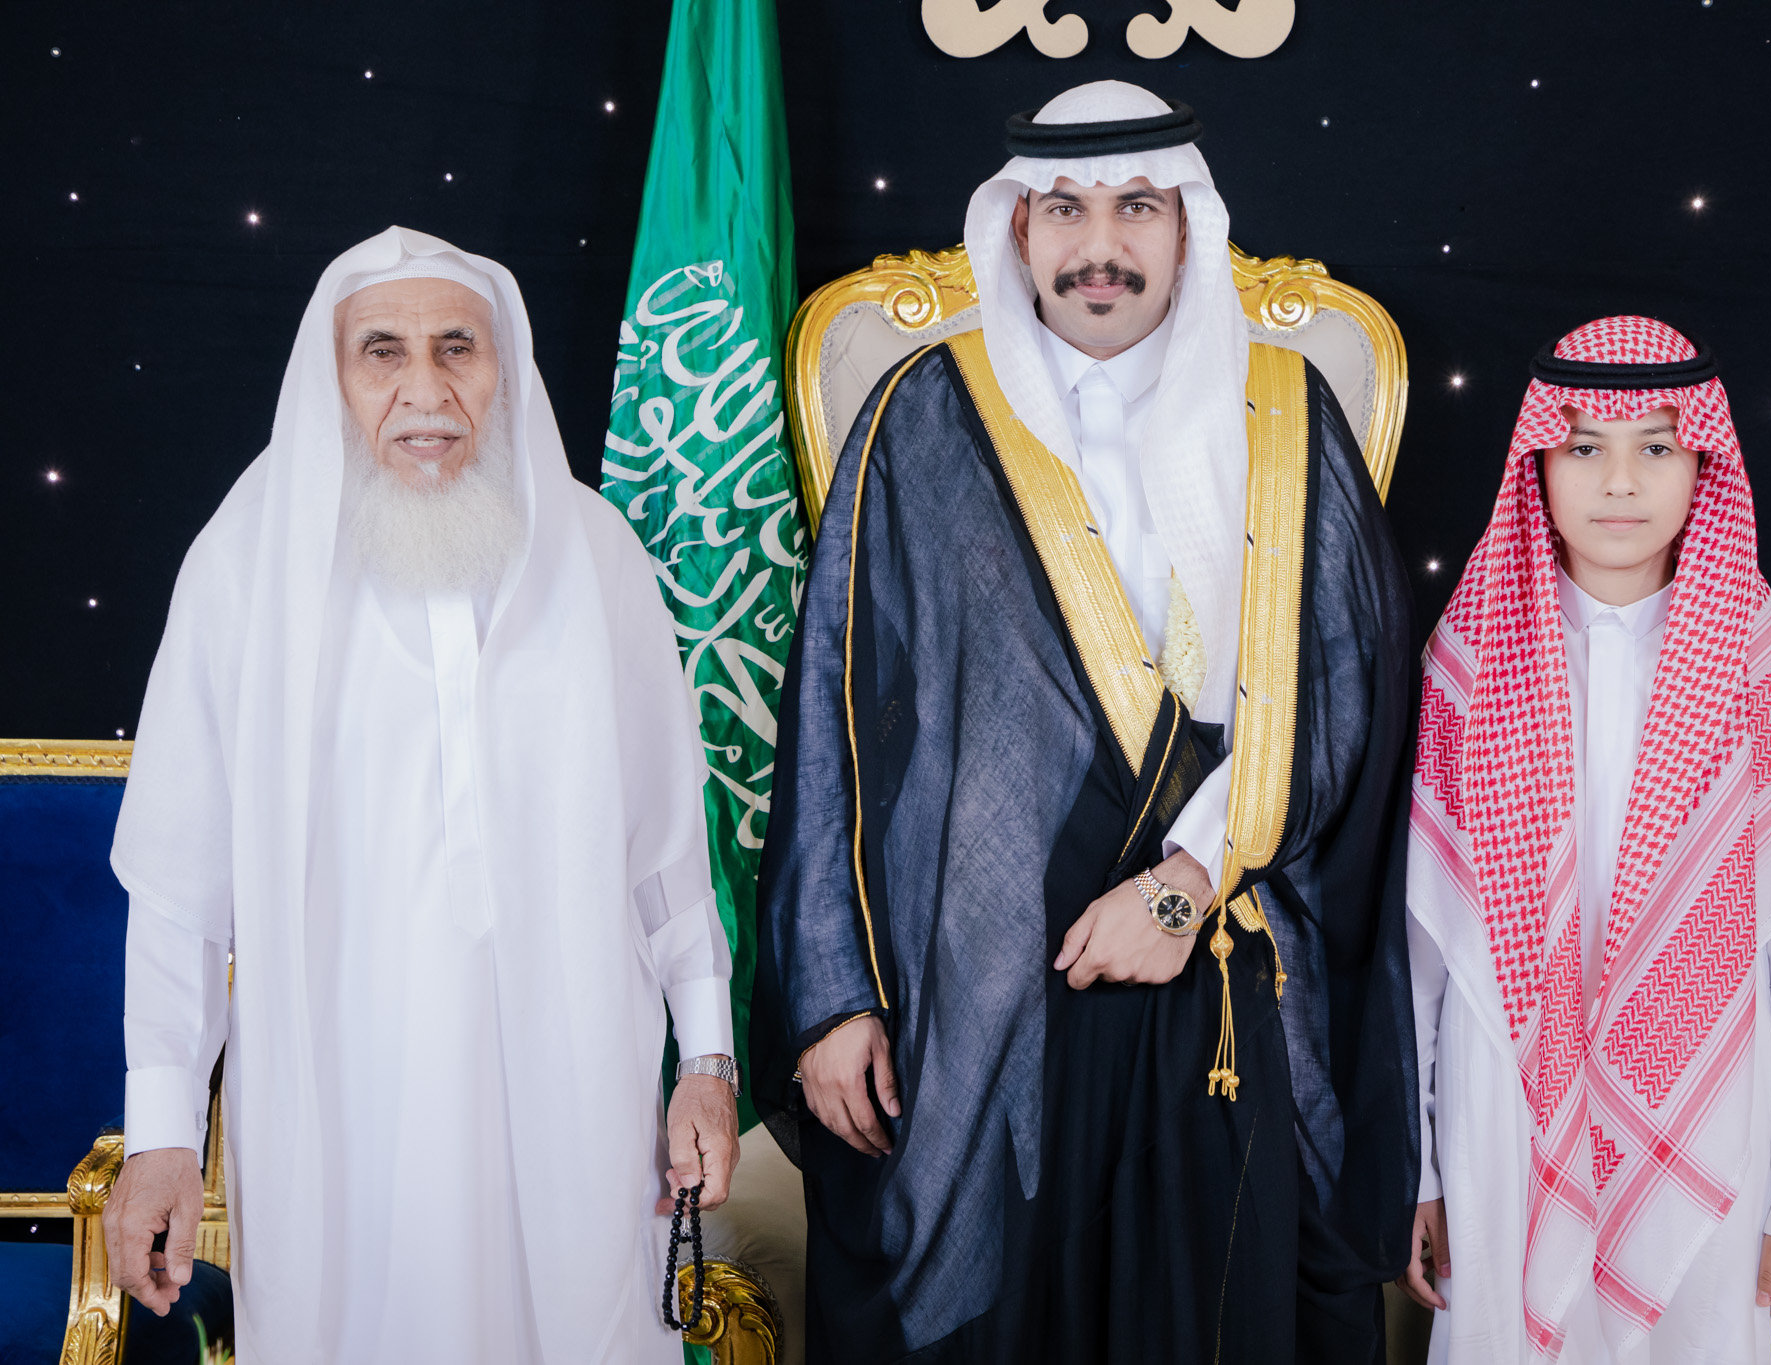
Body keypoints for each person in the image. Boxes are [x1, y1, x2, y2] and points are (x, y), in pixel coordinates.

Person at [753, 81, 1419, 1364]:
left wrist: (1180, 888)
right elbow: (831, 722)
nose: (1097, 245)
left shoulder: (1284, 414)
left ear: (1186, 227)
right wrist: (832, 999)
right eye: (1063, 208)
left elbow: (1345, 696)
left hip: (1217, 957)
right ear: (1015, 229)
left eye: (1135, 207)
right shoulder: (920, 415)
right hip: (974, 985)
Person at [103, 226, 741, 1363]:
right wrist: (161, 1134)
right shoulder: (244, 569)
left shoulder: (595, 553)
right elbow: (177, 890)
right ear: (332, 377)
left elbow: (666, 858)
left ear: (505, 369)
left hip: (575, 1095)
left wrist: (705, 1065)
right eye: (382, 352)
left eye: (458, 347)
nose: (426, 390)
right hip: (338, 1109)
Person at [1401, 317, 1771, 1362]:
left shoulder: (1754, 669)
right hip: (1501, 1116)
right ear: (1538, 464)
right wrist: (1413, 1169)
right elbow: (1421, 958)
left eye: (1655, 446)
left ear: (1702, 464)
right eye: (1584, 447)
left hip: (1707, 1116)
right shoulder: (1468, 666)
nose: (1619, 482)